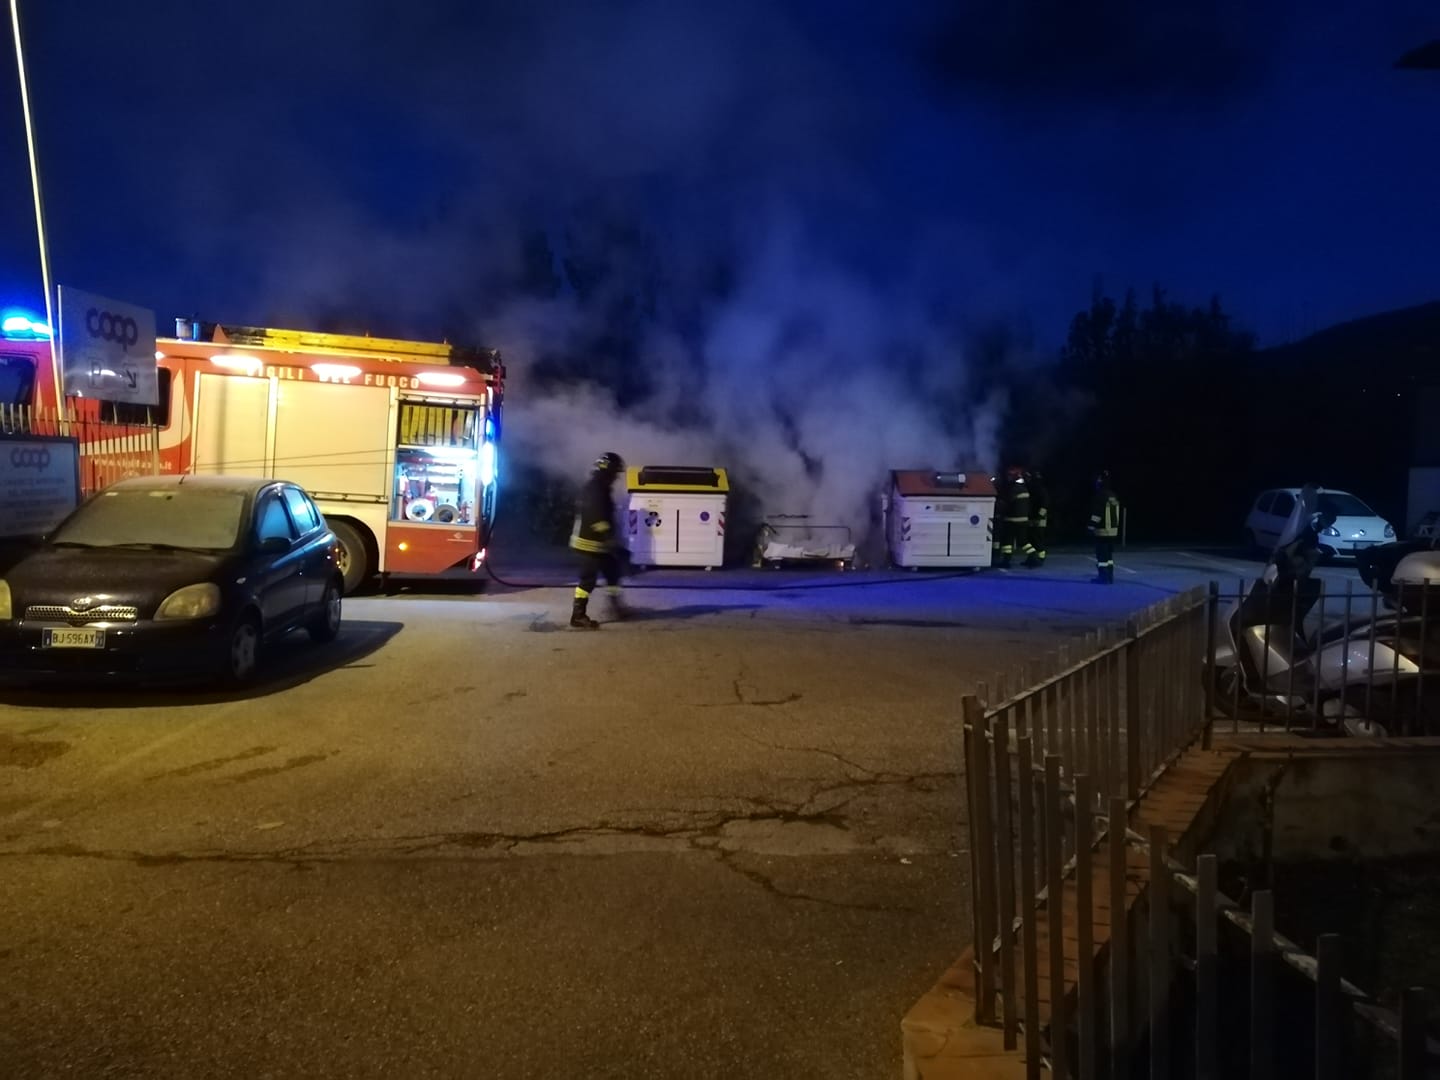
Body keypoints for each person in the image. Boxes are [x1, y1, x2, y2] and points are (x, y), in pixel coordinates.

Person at [569, 451, 631, 629]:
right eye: (615, 473)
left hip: (599, 544)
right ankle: (578, 616)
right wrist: (609, 538)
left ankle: (616, 607)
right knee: (587, 581)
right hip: (589, 544)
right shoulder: (596, 488)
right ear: (608, 471)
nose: (616, 477)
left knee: (612, 572)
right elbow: (596, 516)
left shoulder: (599, 486)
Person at [1089, 470, 1121, 584]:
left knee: (1102, 557)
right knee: (1109, 557)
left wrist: (1092, 525)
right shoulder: (1113, 495)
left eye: (1098, 480)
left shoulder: (1101, 495)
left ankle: (1103, 577)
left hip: (1102, 531)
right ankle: (1110, 577)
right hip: (1113, 531)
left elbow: (1097, 513)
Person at [997, 465, 1032, 569]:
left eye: (1010, 475)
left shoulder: (1014, 488)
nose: (1008, 477)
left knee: (1007, 541)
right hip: (1022, 519)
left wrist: (999, 509)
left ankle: (1006, 561)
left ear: (1015, 476)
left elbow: (1006, 503)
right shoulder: (1024, 488)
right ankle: (1033, 556)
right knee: (1023, 541)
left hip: (1012, 519)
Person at [1024, 469, 1049, 568]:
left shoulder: (1040, 490)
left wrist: (1039, 517)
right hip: (1032, 518)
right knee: (1031, 539)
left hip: (1039, 520)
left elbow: (1045, 504)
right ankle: (1031, 559)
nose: (1027, 479)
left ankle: (1040, 558)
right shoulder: (1032, 488)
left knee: (1037, 539)